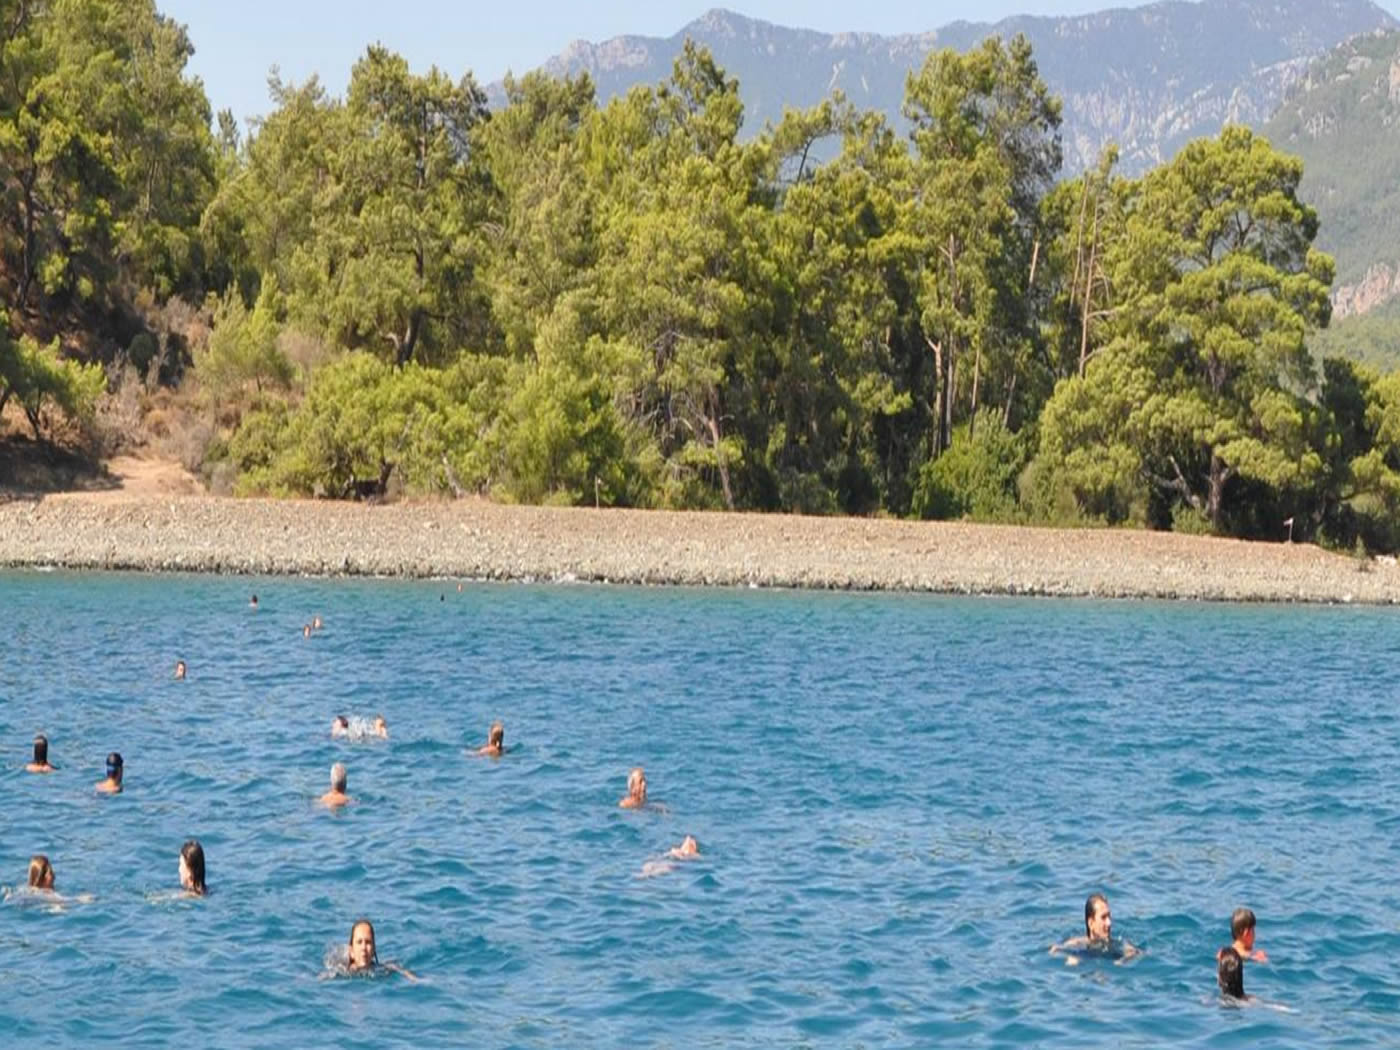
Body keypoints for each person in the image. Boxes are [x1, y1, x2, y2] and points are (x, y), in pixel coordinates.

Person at [1049, 892, 1140, 964]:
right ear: (1091, 923)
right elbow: (1055, 949)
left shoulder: (1116, 944)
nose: (1109, 923)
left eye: (1109, 917)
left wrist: (1122, 961)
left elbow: (1136, 952)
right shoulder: (1079, 945)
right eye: (1103, 918)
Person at [347, 919, 416, 980]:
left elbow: (396, 967)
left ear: (374, 949)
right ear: (351, 951)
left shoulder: (380, 969)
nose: (364, 947)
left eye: (368, 942)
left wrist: (410, 977)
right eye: (359, 942)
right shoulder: (341, 971)